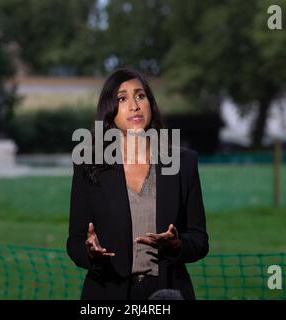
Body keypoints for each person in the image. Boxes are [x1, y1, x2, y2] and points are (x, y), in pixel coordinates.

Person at [66, 68, 209, 300]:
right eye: (122, 98)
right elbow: (74, 242)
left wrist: (177, 244)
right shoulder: (89, 167)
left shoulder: (184, 163)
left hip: (167, 293)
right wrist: (91, 253)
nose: (134, 105)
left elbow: (200, 240)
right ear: (109, 111)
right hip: (107, 294)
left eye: (140, 96)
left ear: (150, 103)